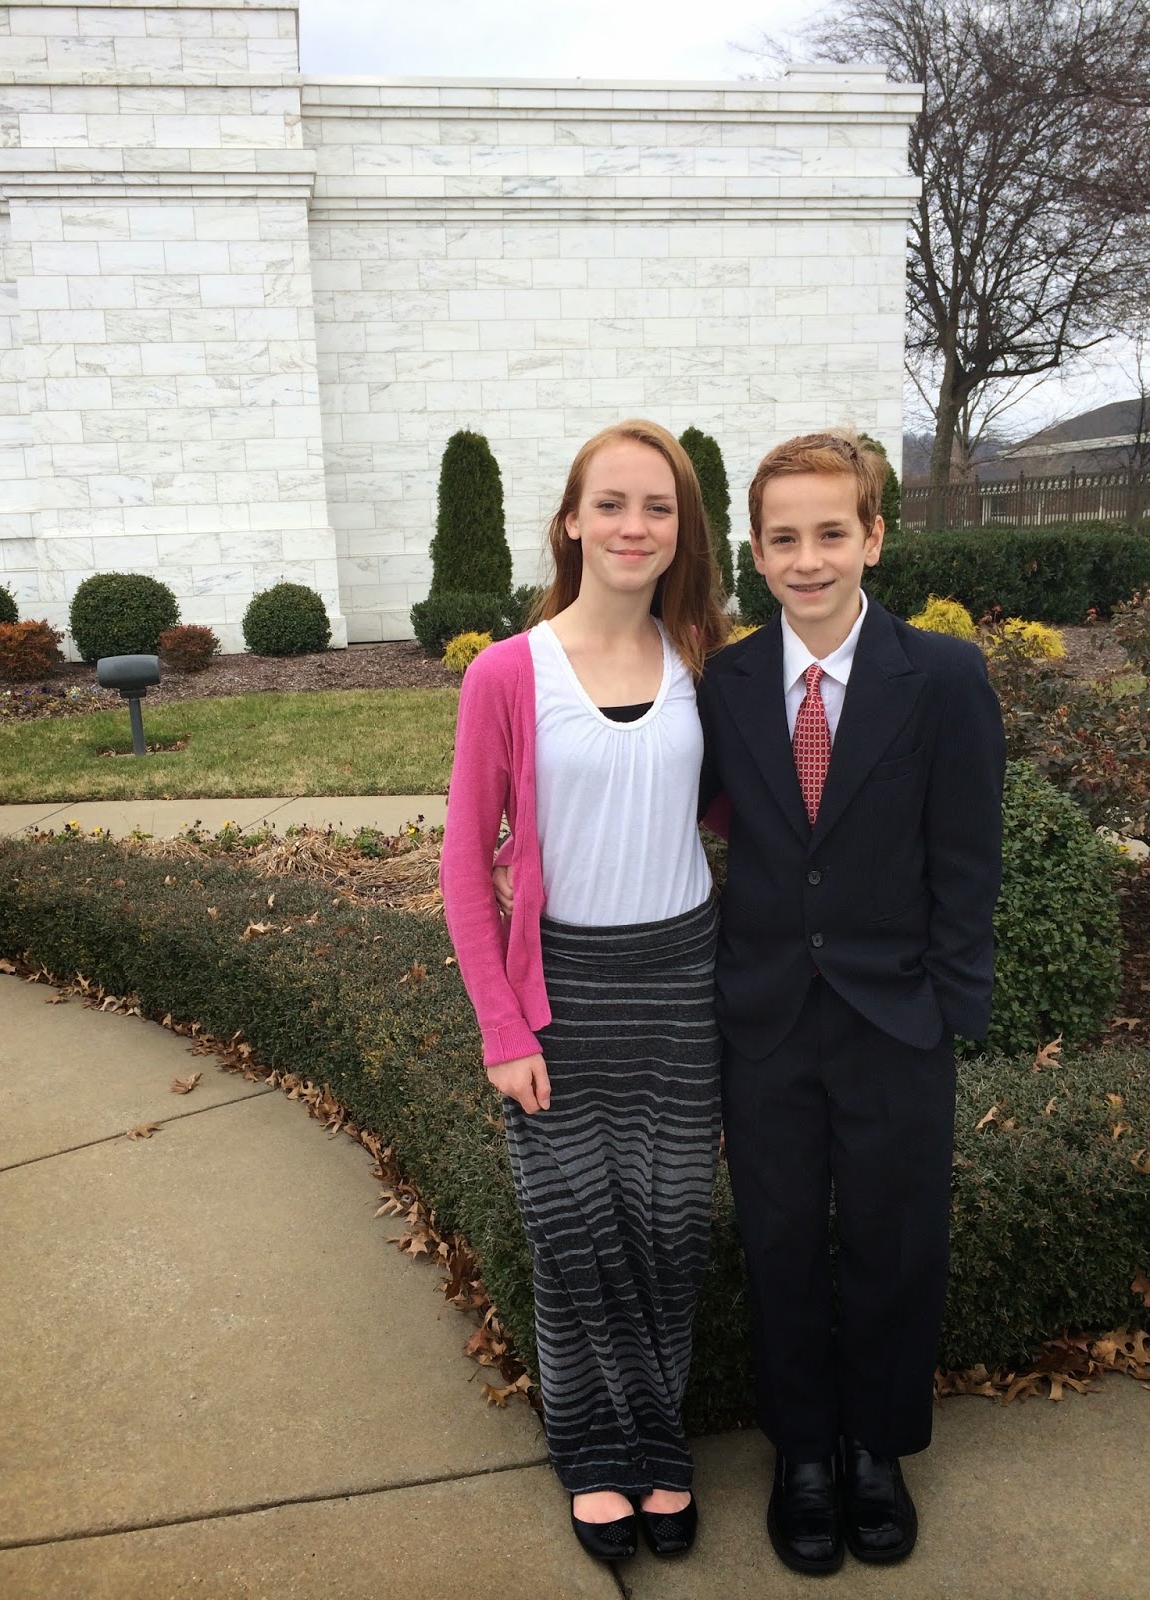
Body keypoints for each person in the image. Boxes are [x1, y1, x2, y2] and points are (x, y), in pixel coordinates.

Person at [697, 432, 1006, 1575]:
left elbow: (967, 856)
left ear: (874, 537)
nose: (809, 558)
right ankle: (803, 1455)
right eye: (784, 537)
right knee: (779, 1238)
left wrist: (947, 1007)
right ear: (756, 550)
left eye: (833, 532)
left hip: (895, 1019)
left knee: (894, 1236)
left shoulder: (944, 678)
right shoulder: (726, 684)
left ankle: (876, 1446)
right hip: (768, 1017)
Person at [439, 419, 729, 1564]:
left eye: (657, 507)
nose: (632, 526)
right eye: (610, 503)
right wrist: (502, 1027)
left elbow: (735, 806)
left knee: (668, 1230)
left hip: (683, 986)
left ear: (681, 531)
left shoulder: (703, 656)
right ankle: (595, 1454)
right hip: (561, 991)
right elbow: (466, 862)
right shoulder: (509, 673)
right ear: (570, 521)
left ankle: (659, 1445)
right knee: (575, 1238)